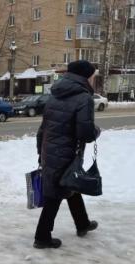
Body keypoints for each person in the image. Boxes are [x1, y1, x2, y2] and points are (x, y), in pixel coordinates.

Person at [34, 60, 101, 249]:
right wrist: (96, 131)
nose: (93, 79)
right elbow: (85, 133)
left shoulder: (55, 94)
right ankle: (42, 237)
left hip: (50, 150)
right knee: (55, 194)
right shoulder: (84, 98)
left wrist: (41, 152)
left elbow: (43, 128)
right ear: (86, 76)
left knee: (71, 184)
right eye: (93, 75)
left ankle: (82, 224)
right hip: (66, 153)